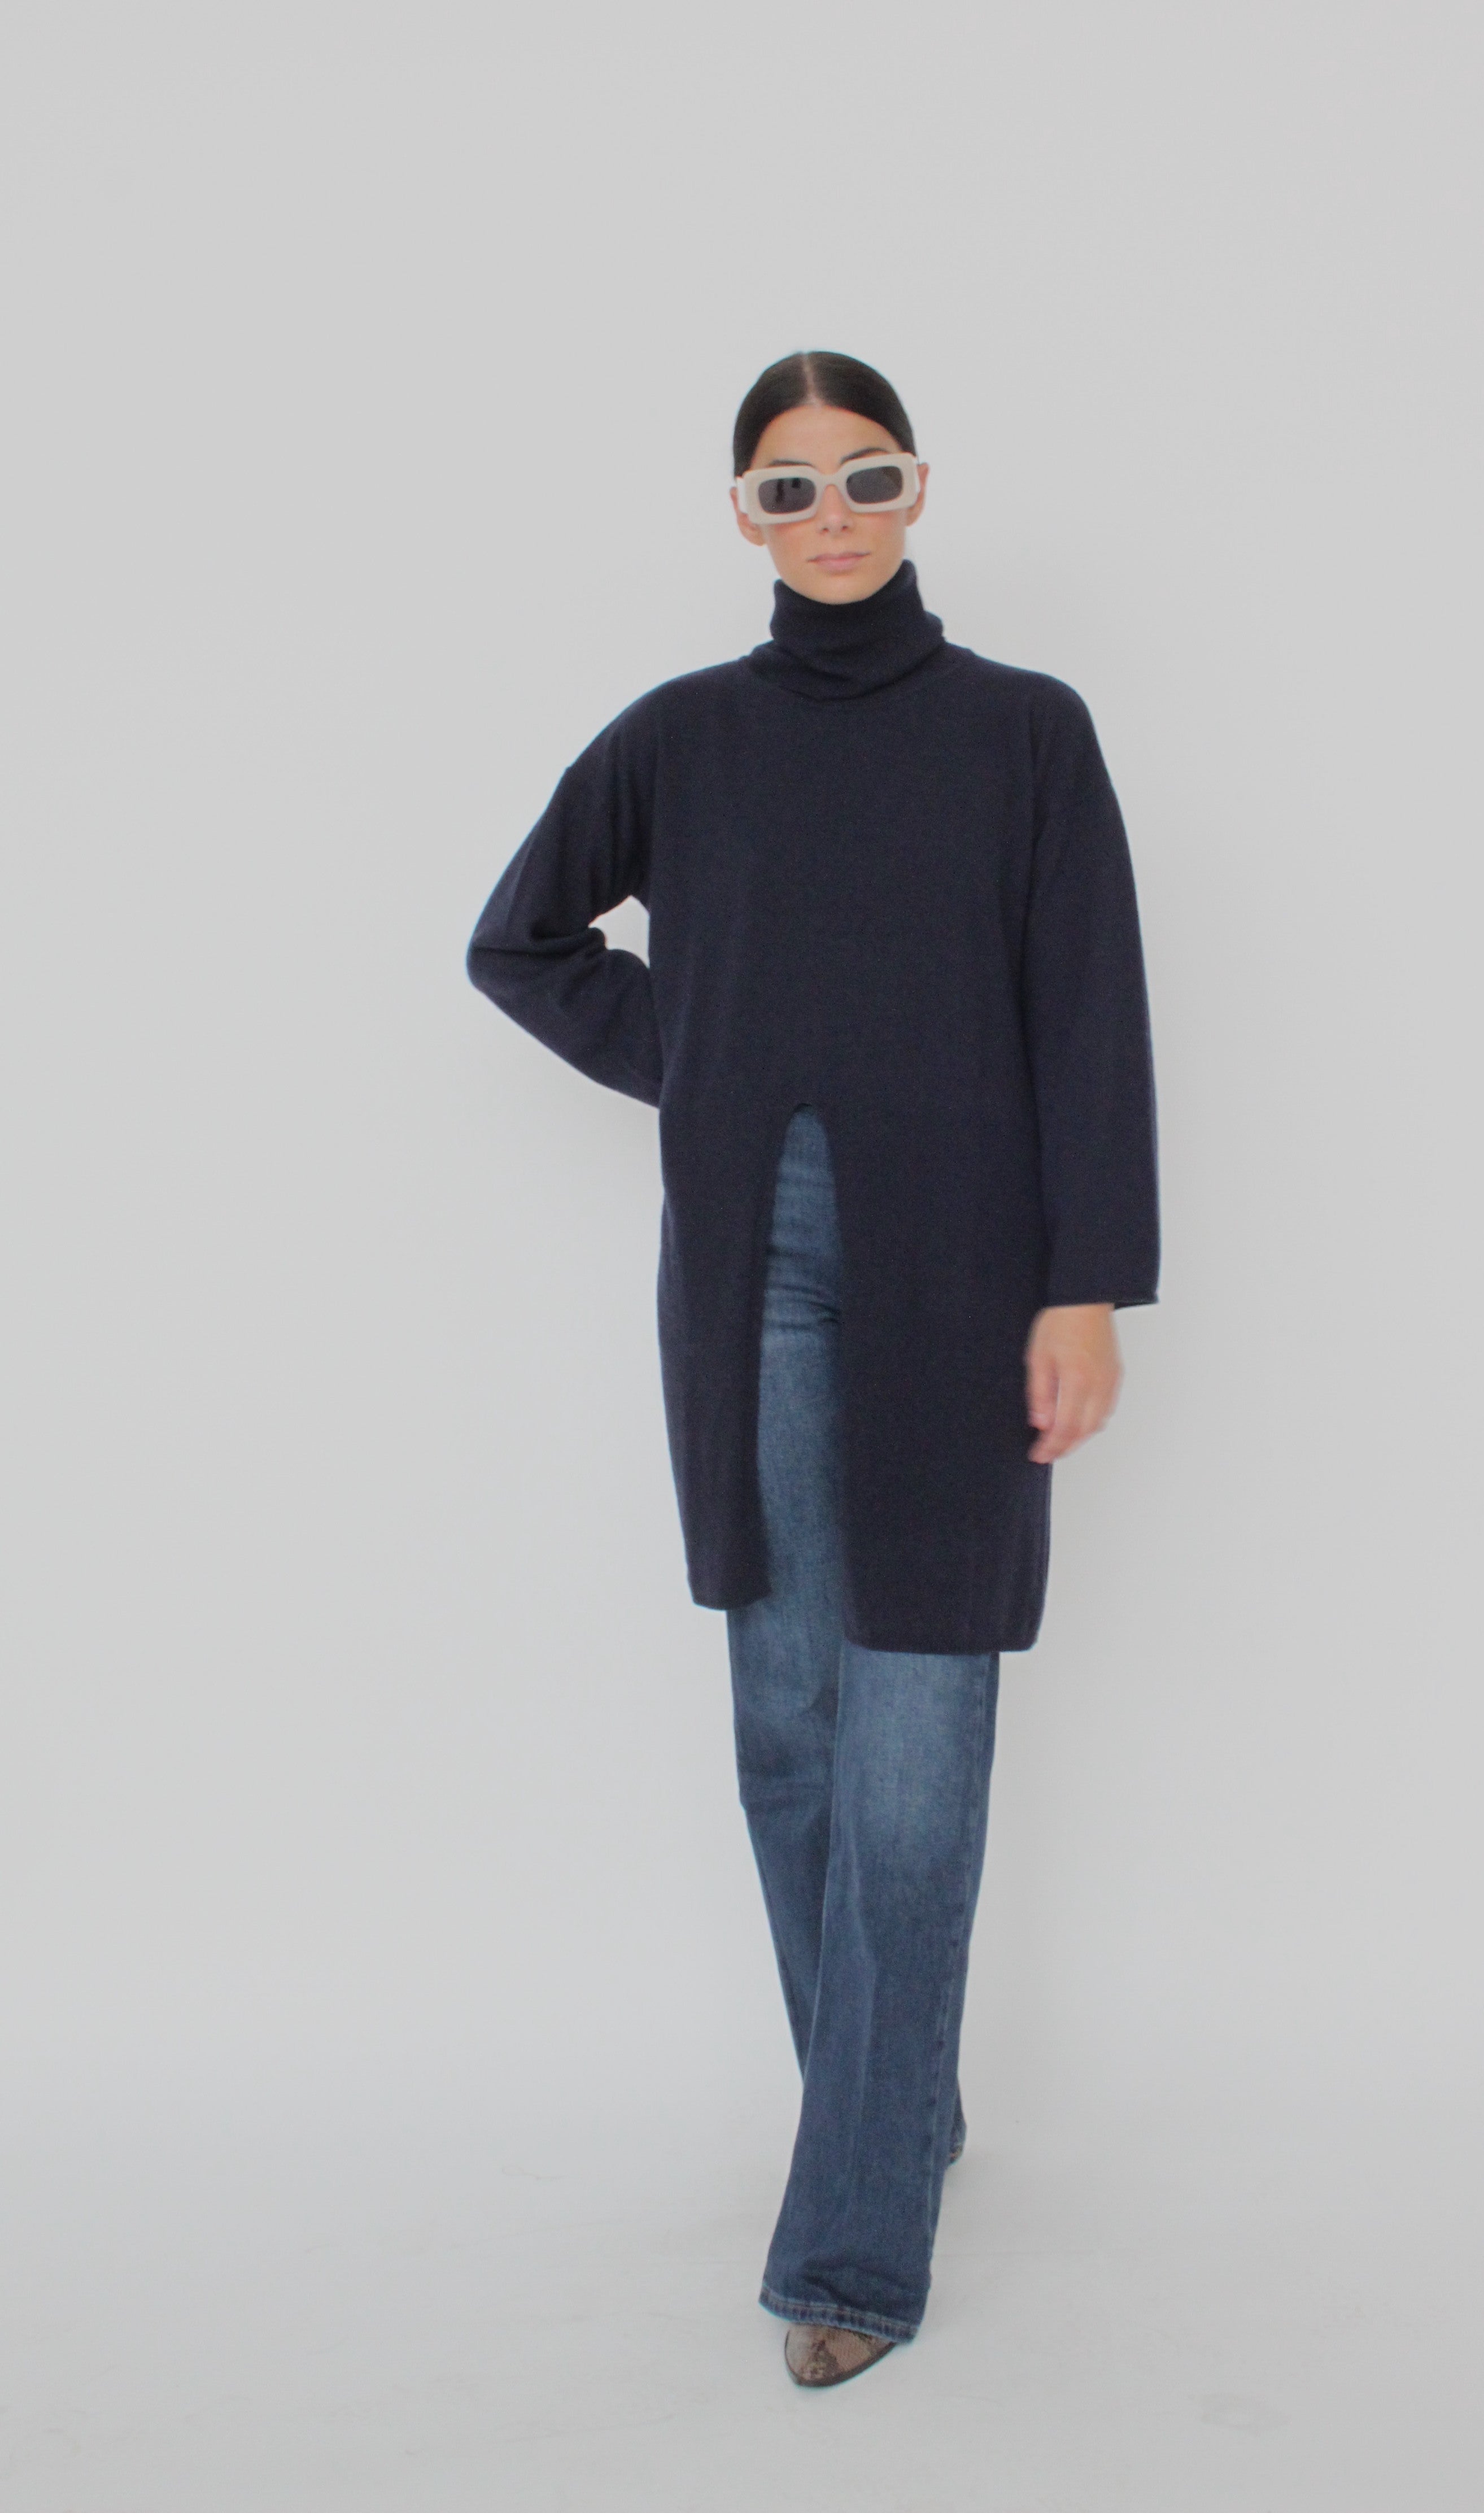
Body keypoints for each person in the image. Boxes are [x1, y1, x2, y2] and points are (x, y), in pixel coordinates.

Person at [466, 350, 1159, 2389]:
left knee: (913, 1735)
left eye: (865, 476)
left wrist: (1088, 1286)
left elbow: (1091, 1010)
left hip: (969, 1272)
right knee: (788, 1718)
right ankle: (892, 2110)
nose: (832, 514)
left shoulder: (1027, 733)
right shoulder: (683, 738)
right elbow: (521, 942)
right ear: (744, 514)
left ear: (920, 487)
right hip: (752, 1268)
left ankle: (855, 2233)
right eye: (790, 485)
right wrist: (706, 1059)